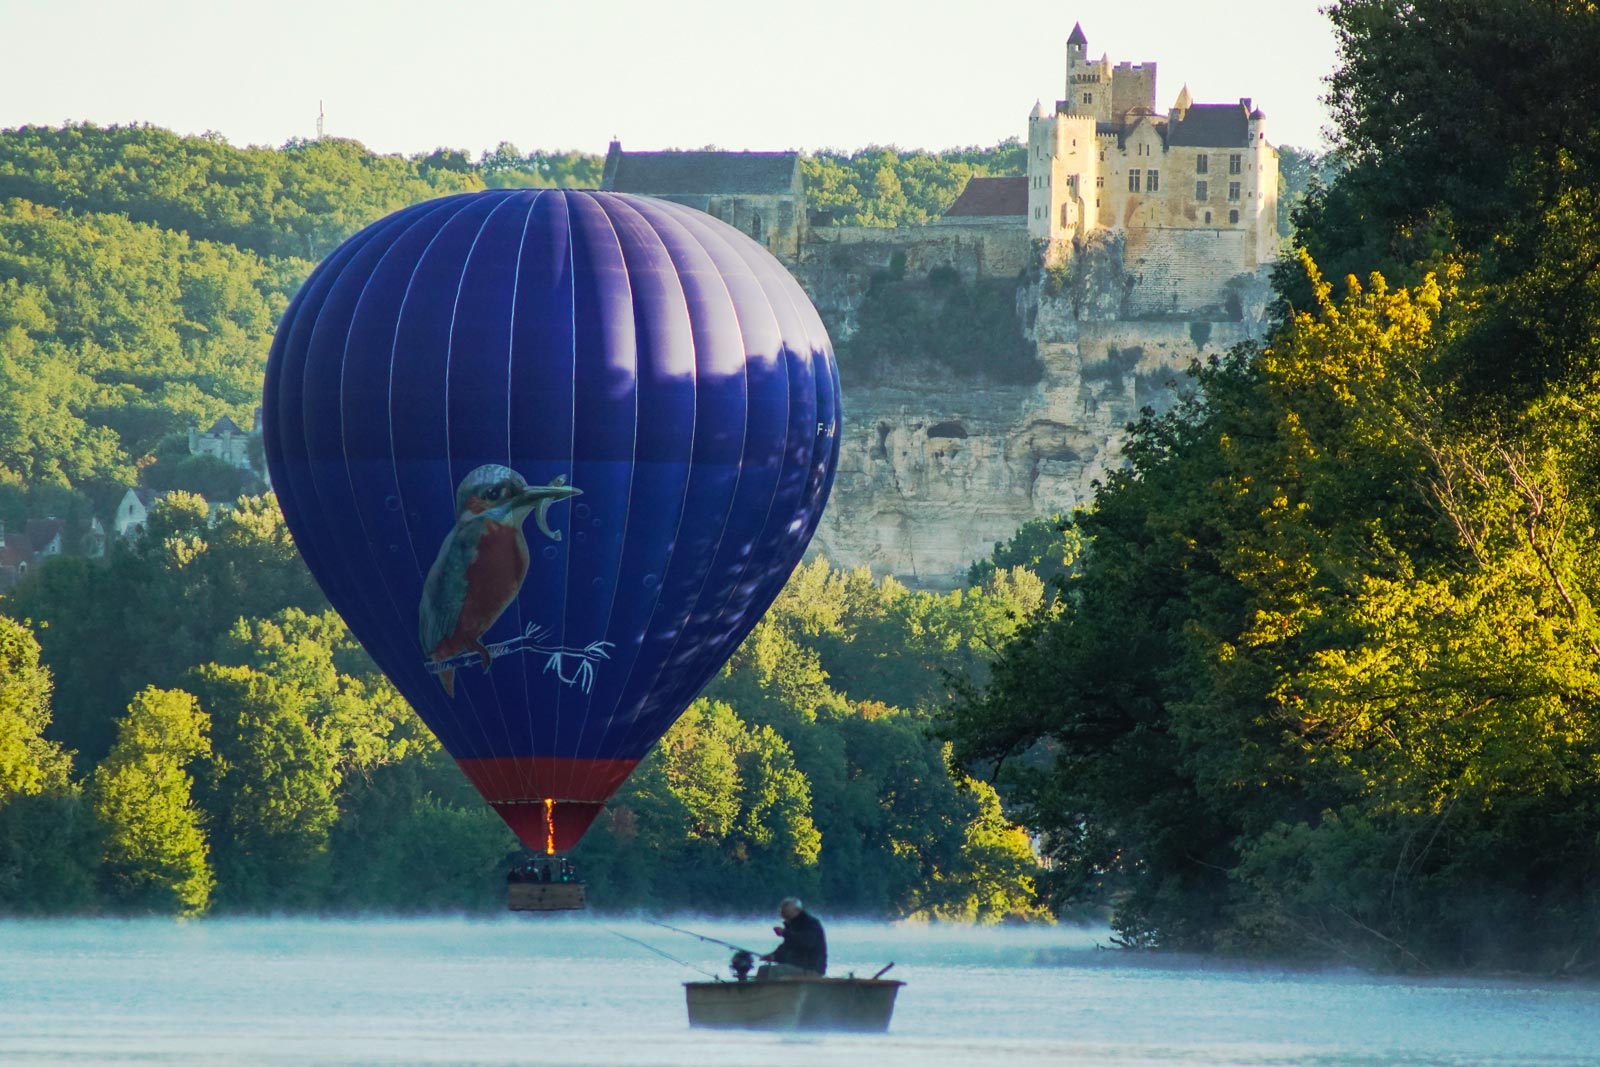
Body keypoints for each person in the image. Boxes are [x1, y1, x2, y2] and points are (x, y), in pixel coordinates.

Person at [760, 897, 827, 976]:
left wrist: (785, 933)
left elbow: (805, 943)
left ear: (797, 910)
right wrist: (774, 956)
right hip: (795, 966)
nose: (785, 919)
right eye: (784, 916)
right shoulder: (792, 925)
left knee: (775, 971)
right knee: (763, 969)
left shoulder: (811, 924)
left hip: (811, 969)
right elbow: (788, 947)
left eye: (787, 916)